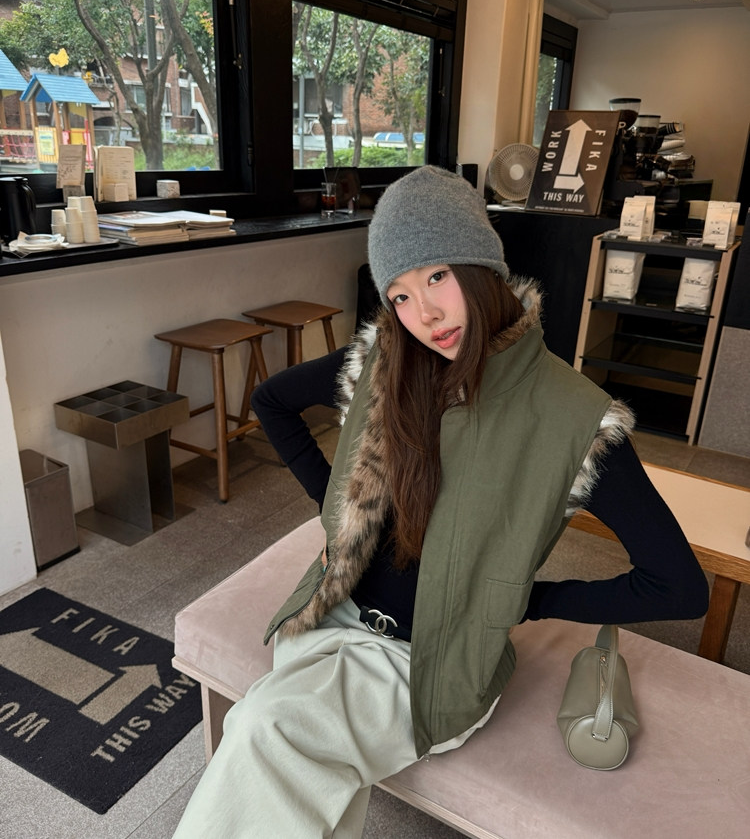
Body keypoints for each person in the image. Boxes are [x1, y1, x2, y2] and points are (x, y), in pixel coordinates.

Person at [173, 166, 708, 839]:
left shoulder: (575, 419)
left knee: (261, 727)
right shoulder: (389, 362)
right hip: (331, 619)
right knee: (291, 771)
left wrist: (527, 601)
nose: (422, 314)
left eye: (437, 277)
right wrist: (338, 519)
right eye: (399, 295)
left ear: (483, 268)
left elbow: (678, 587)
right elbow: (272, 401)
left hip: (426, 670)